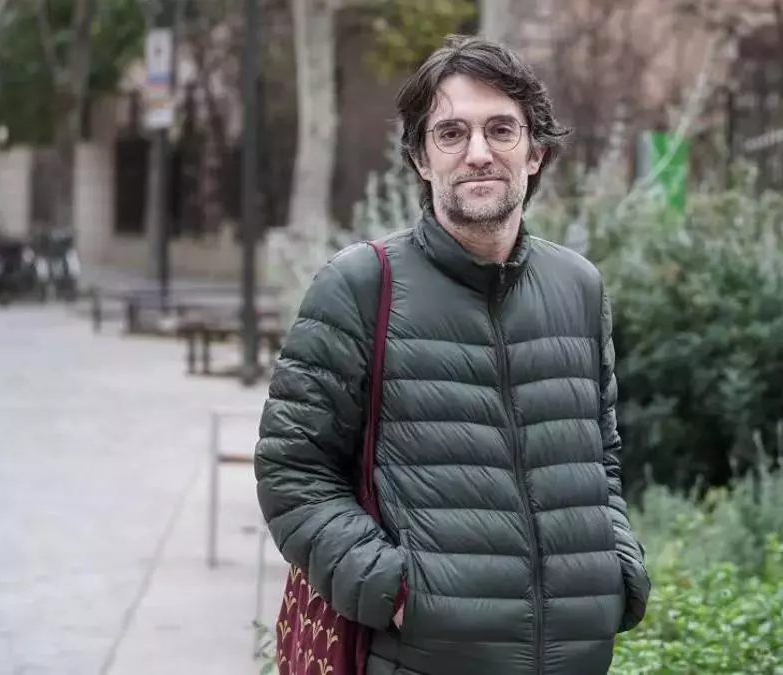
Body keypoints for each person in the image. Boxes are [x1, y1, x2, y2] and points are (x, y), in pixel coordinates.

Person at [254, 35, 651, 675]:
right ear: (420, 157)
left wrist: (617, 568)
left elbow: (600, 455)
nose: (478, 153)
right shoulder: (360, 286)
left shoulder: (579, 287)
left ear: (535, 152)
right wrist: (395, 591)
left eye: (501, 129)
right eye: (451, 133)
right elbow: (292, 471)